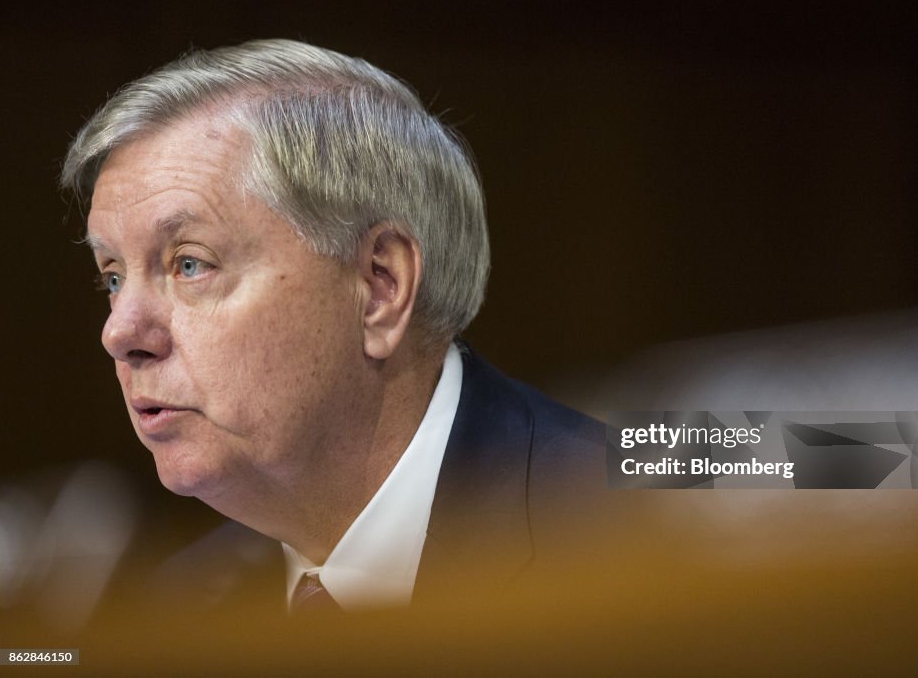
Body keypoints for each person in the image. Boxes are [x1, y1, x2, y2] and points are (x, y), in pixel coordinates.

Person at [61, 39, 609, 613]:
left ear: (379, 286)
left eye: (189, 264)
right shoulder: (177, 605)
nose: (119, 334)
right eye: (113, 277)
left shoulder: (644, 536)